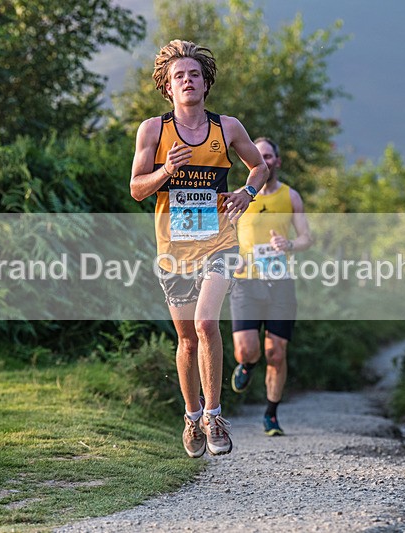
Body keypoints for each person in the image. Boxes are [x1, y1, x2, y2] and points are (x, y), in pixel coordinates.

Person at [130, 40, 267, 457]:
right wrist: (166, 170)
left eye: (193, 74)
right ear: (167, 88)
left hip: (219, 242)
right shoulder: (153, 130)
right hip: (174, 249)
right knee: (187, 338)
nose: (186, 81)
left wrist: (246, 191)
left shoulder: (228, 127)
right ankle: (191, 418)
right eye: (178, 76)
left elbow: (258, 166)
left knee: (207, 324)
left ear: (205, 84)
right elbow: (136, 189)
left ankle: (214, 414)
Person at [229, 137, 312, 436]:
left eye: (268, 156)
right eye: (258, 155)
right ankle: (248, 366)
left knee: (276, 353)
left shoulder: (291, 197)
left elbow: (306, 237)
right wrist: (231, 257)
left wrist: (289, 243)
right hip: (245, 282)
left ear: (277, 161)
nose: (263, 160)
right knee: (246, 350)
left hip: (280, 283)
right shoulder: (240, 196)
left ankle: (271, 415)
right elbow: (224, 234)